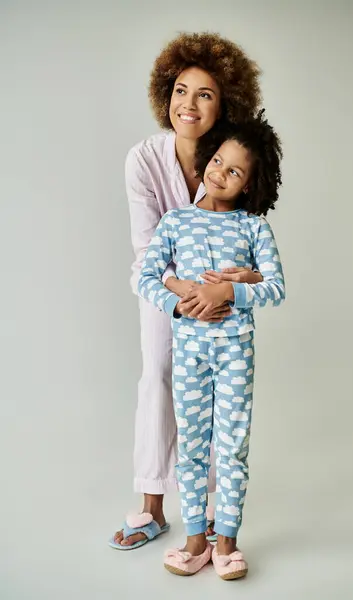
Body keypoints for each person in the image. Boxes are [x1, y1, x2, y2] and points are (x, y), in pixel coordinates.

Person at [110, 32, 264, 550]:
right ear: (165, 94)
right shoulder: (143, 160)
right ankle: (152, 509)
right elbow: (146, 255)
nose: (188, 104)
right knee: (156, 374)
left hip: (222, 306)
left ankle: (212, 524)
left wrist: (226, 291)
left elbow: (252, 252)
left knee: (221, 404)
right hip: (167, 292)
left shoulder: (232, 161)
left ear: (224, 104)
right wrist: (183, 296)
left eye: (204, 93)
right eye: (180, 90)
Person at [137, 110, 285, 579]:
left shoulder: (253, 227)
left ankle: (227, 542)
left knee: (232, 444)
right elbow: (144, 278)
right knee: (194, 446)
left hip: (236, 350)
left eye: (235, 170)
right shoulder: (176, 222)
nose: (220, 173)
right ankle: (195, 538)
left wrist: (230, 291)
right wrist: (179, 303)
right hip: (191, 353)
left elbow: (276, 288)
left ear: (250, 184)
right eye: (218, 160)